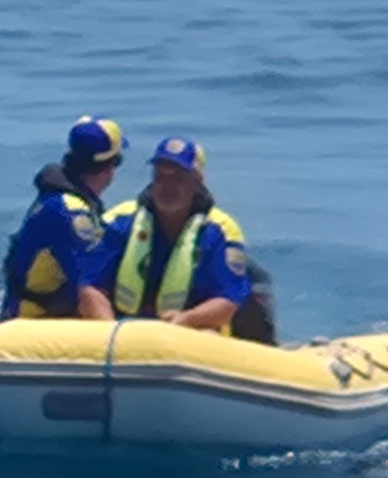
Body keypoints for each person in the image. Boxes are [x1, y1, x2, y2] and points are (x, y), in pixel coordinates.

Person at [99, 136, 270, 341]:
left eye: (177, 178)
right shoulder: (120, 221)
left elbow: (227, 301)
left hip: (192, 335)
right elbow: (90, 285)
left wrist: (186, 319)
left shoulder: (221, 230)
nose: (167, 186)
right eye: (160, 177)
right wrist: (108, 333)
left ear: (197, 183)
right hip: (124, 333)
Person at [0, 117, 126, 322]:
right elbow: (88, 285)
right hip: (32, 322)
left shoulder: (61, 197)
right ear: (110, 166)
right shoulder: (70, 215)